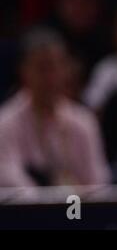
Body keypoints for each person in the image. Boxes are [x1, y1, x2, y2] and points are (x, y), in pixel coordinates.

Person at [0, 27, 110, 187]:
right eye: (42, 68)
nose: (51, 77)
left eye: (57, 67)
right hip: (27, 211)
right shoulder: (6, 124)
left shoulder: (83, 121)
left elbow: (99, 185)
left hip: (78, 211)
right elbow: (10, 181)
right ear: (23, 71)